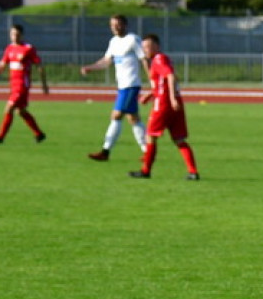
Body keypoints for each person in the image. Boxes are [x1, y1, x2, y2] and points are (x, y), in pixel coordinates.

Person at [129, 34, 199, 181]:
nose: (145, 50)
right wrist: (150, 95)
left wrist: (171, 98)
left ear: (157, 46)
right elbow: (165, 82)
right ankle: (193, 172)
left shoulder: (159, 59)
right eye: (144, 47)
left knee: (150, 136)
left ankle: (146, 170)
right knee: (179, 139)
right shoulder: (162, 59)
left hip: (163, 105)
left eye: (148, 47)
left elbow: (171, 76)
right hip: (173, 103)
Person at [80, 15, 147, 161]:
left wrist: (152, 79)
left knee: (116, 115)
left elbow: (144, 59)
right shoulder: (114, 42)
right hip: (122, 86)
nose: (115, 27)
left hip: (131, 85)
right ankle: (148, 151)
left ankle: (106, 151)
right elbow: (106, 61)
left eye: (118, 24)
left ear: (125, 25)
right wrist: (90, 67)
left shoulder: (133, 39)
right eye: (112, 25)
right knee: (133, 119)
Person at [0, 23, 48, 144]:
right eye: (12, 34)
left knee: (9, 107)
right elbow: (1, 65)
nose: (14, 36)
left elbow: (39, 66)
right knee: (20, 111)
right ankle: (39, 134)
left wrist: (44, 85)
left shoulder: (28, 48)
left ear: (22, 35)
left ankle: (0, 138)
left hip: (22, 85)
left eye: (17, 34)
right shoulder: (9, 48)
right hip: (13, 85)